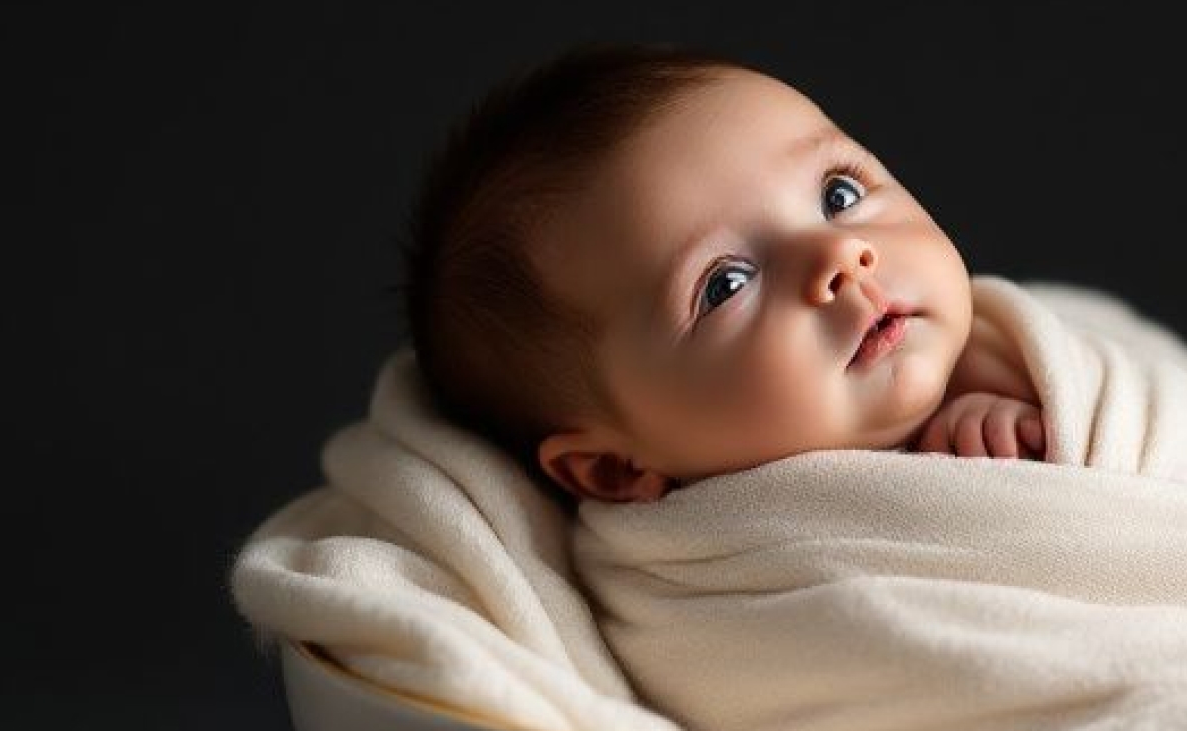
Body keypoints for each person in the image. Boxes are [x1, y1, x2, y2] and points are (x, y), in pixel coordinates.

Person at [402, 42, 1046, 504]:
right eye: (725, 285)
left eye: (839, 196)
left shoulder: (1038, 365)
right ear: (614, 470)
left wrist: (1034, 440)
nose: (839, 256)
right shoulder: (705, 585)